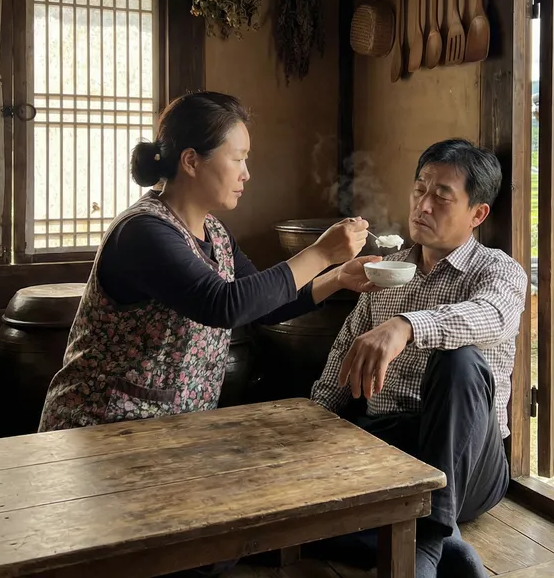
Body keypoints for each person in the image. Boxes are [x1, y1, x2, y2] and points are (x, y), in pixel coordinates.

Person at [39, 91, 378, 433]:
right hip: (101, 428)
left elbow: (261, 306)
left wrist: (336, 277)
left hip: (170, 434)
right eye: (237, 159)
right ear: (191, 161)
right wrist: (320, 253)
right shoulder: (142, 231)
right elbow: (222, 304)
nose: (246, 174)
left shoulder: (214, 231)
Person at [309, 139, 528, 578]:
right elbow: (342, 361)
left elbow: (491, 315)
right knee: (287, 508)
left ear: (477, 214)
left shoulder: (498, 271)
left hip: (468, 464)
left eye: (442, 196)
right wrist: (305, 430)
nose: (423, 205)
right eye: (419, 190)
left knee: (459, 361)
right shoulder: (386, 270)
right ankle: (448, 549)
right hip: (387, 449)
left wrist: (406, 326)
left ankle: (426, 544)